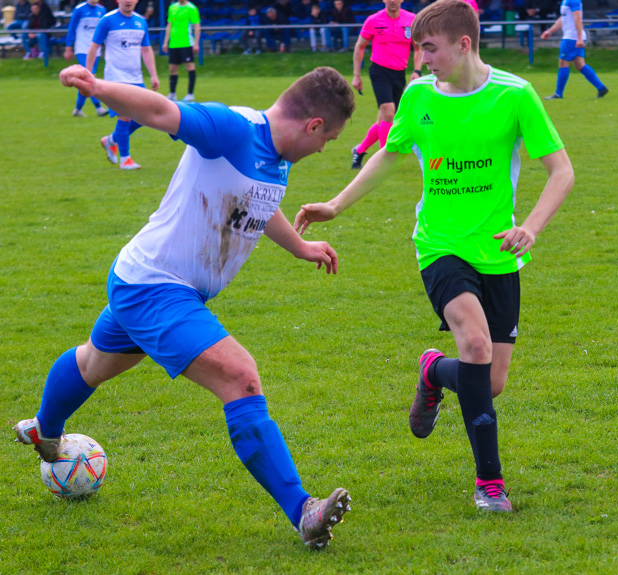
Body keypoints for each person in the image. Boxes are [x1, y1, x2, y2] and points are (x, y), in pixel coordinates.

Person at [16, 64, 355, 550]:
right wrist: (99, 88)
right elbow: (160, 110)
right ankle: (303, 510)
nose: (324, 149)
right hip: (156, 286)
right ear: (314, 125)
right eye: (330, 138)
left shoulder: (274, 158)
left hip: (150, 282)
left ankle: (46, 432)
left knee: (93, 361)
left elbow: (259, 201)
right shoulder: (235, 129)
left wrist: (300, 247)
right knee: (241, 377)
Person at [295, 0, 573, 512]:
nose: (420, 61)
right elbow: (390, 154)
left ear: (463, 44)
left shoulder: (515, 96)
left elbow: (562, 171)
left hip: (497, 249)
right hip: (439, 245)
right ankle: (490, 483)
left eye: (428, 49)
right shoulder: (419, 95)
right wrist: (336, 203)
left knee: (489, 381)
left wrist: (530, 227)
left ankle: (431, 372)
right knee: (473, 341)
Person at [348, 0, 420, 170]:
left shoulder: (412, 20)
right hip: (379, 71)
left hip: (399, 73)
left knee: (385, 119)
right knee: (388, 113)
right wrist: (356, 75)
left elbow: (419, 48)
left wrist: (417, 71)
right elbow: (359, 47)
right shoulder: (373, 20)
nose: (393, 1)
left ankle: (359, 150)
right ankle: (385, 159)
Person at [88, 0, 159, 170]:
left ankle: (111, 140)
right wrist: (88, 73)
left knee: (144, 116)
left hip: (136, 78)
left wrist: (154, 75)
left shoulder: (141, 21)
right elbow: (94, 46)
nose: (128, 1)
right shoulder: (107, 20)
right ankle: (125, 159)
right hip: (115, 78)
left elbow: (146, 49)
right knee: (125, 116)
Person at [540, 0, 608, 100]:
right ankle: (601, 88)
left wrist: (579, 38)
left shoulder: (573, 0)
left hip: (571, 38)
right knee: (580, 65)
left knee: (563, 63)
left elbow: (578, 19)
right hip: (573, 37)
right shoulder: (565, 1)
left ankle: (558, 94)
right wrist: (550, 31)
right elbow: (563, 19)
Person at [64, 0, 109, 116]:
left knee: (85, 79)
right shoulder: (80, 9)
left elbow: (104, 30)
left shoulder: (101, 10)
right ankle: (98, 108)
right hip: (82, 48)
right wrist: (68, 47)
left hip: (95, 50)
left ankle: (78, 109)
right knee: (90, 76)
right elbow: (72, 28)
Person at [161, 0, 200, 102]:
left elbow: (197, 26)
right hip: (174, 43)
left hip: (186, 42)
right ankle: (172, 93)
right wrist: (166, 42)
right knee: (172, 68)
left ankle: (190, 93)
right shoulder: (172, 8)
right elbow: (170, 25)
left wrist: (196, 43)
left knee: (189, 66)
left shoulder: (191, 8)